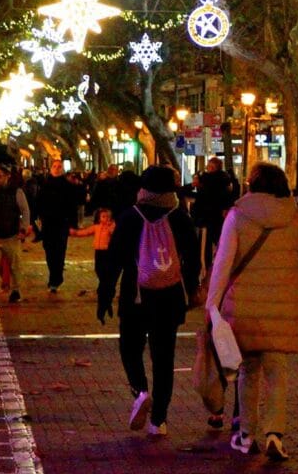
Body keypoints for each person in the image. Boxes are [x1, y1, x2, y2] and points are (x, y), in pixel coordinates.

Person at [207, 163, 298, 461]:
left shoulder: (237, 217)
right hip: (283, 308)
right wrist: (293, 285)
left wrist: (212, 305)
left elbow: (223, 264)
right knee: (277, 372)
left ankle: (246, 434)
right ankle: (275, 434)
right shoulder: (296, 220)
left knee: (248, 371)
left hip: (244, 307)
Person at [97, 165, 200, 438]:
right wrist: (193, 290)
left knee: (129, 347)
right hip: (170, 298)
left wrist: (105, 295)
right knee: (164, 358)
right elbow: (192, 260)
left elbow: (114, 260)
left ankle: (140, 390)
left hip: (136, 297)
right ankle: (159, 420)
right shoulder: (180, 217)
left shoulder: (130, 217)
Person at [0, 163, 30, 304]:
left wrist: (23, 229)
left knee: (15, 265)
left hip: (11, 235)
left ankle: (16, 290)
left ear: (7, 177)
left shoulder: (16, 192)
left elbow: (25, 210)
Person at [35, 159, 82, 293]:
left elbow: (72, 206)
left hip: (62, 224)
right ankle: (53, 275)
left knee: (60, 251)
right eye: (54, 166)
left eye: (59, 167)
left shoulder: (67, 186)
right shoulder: (44, 184)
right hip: (48, 224)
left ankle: (56, 279)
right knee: (49, 251)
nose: (57, 168)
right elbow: (39, 202)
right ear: (50, 168)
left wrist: (73, 225)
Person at [190, 157, 239, 268]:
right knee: (218, 242)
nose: (208, 168)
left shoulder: (207, 180)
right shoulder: (225, 181)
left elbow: (202, 197)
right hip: (218, 218)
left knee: (205, 246)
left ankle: (206, 268)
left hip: (207, 218)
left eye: (210, 167)